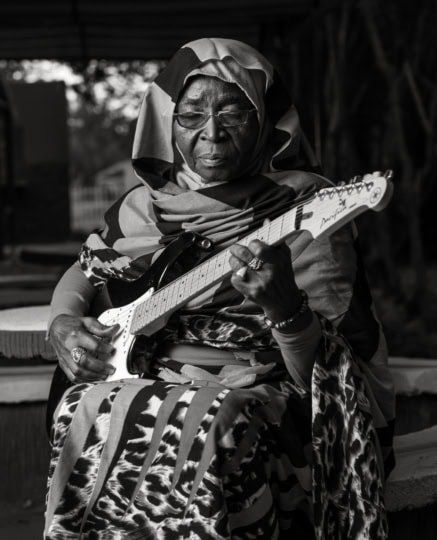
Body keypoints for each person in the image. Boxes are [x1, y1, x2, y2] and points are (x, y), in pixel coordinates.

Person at [44, 38, 395, 540]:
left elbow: (331, 374)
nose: (212, 133)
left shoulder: (307, 207)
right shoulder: (143, 206)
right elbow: (85, 271)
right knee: (81, 408)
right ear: (166, 123)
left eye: (234, 112)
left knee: (210, 421)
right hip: (144, 369)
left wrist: (287, 311)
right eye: (191, 115)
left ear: (267, 122)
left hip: (260, 393)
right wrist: (61, 321)